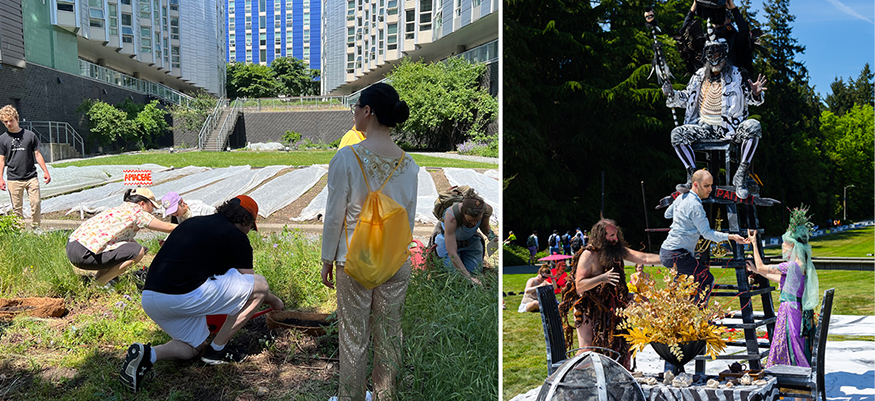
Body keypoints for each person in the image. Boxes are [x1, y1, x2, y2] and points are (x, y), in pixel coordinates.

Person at [118, 195, 285, 393]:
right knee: (260, 285)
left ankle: (149, 355)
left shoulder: (193, 223)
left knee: (193, 349)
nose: (249, 232)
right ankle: (217, 350)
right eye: (250, 227)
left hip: (151, 298)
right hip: (182, 296)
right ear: (245, 221)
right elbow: (252, 288)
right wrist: (276, 303)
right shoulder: (236, 236)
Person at [320, 83, 418, 401]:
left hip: (354, 260)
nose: (354, 113)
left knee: (353, 337)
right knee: (389, 337)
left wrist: (326, 260)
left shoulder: (346, 158)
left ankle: (350, 397)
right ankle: (384, 396)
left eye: (356, 107)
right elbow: (408, 221)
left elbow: (334, 216)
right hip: (395, 261)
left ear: (368, 111)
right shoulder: (410, 165)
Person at [663, 37, 766, 199]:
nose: (714, 58)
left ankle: (741, 174)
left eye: (717, 53)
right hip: (703, 127)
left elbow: (752, 100)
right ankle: (692, 175)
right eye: (711, 54)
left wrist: (755, 92)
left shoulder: (738, 74)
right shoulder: (698, 76)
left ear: (724, 55)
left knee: (753, 126)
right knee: (677, 134)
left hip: (731, 128)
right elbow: (686, 98)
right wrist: (672, 94)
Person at [559, 219, 661, 369]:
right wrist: (603, 278)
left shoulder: (615, 250)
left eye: (616, 234)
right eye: (611, 235)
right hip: (588, 307)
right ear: (601, 237)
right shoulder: (588, 255)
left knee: (644, 303)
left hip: (612, 303)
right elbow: (580, 286)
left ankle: (666, 334)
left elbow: (643, 258)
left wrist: (670, 259)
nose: (615, 239)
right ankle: (576, 378)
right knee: (586, 350)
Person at [660, 170, 748, 304]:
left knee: (683, 288)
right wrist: (732, 237)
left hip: (667, 251)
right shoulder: (695, 206)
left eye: (711, 185)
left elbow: (667, 214)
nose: (710, 189)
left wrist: (679, 205)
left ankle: (683, 319)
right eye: (706, 186)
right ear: (695, 185)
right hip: (677, 254)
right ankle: (699, 319)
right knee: (706, 279)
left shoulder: (682, 197)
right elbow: (707, 233)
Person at [746, 207, 819, 369]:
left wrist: (753, 244)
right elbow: (777, 278)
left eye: (785, 243)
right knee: (795, 347)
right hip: (796, 309)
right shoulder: (801, 266)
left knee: (791, 347)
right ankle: (799, 385)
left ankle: (796, 377)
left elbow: (762, 266)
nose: (783, 246)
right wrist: (756, 271)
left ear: (793, 246)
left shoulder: (791, 265)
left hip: (789, 311)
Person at [66, 188, 176, 286]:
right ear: (142, 203)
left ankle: (100, 279)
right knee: (137, 251)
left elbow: (116, 240)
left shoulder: (119, 210)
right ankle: (100, 283)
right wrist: (191, 225)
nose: (152, 211)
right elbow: (169, 227)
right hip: (84, 254)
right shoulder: (138, 212)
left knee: (128, 249)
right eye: (151, 206)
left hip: (73, 247)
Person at [0, 105, 51, 230]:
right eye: (5, 121)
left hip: (31, 177)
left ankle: (36, 227)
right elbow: (1, 159)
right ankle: (20, 231)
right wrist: (0, 178)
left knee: (36, 203)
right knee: (17, 208)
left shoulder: (30, 135)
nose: (8, 123)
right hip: (13, 178)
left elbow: (37, 155)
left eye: (11, 120)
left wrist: (46, 171)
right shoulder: (2, 139)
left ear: (17, 119)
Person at [435, 188, 495, 284]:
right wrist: (468, 277)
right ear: (463, 213)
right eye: (470, 221)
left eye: (477, 221)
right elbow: (452, 252)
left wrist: (492, 236)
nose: (474, 223)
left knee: (475, 271)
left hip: (470, 240)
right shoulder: (451, 217)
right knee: (453, 274)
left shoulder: (486, 210)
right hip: (448, 242)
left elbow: (485, 227)